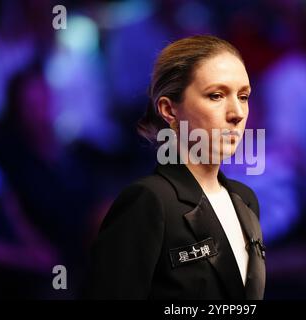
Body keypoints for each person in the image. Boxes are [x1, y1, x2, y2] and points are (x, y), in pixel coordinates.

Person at [85, 35, 265, 299]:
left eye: (243, 96)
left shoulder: (245, 201)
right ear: (169, 110)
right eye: (216, 95)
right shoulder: (148, 201)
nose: (237, 112)